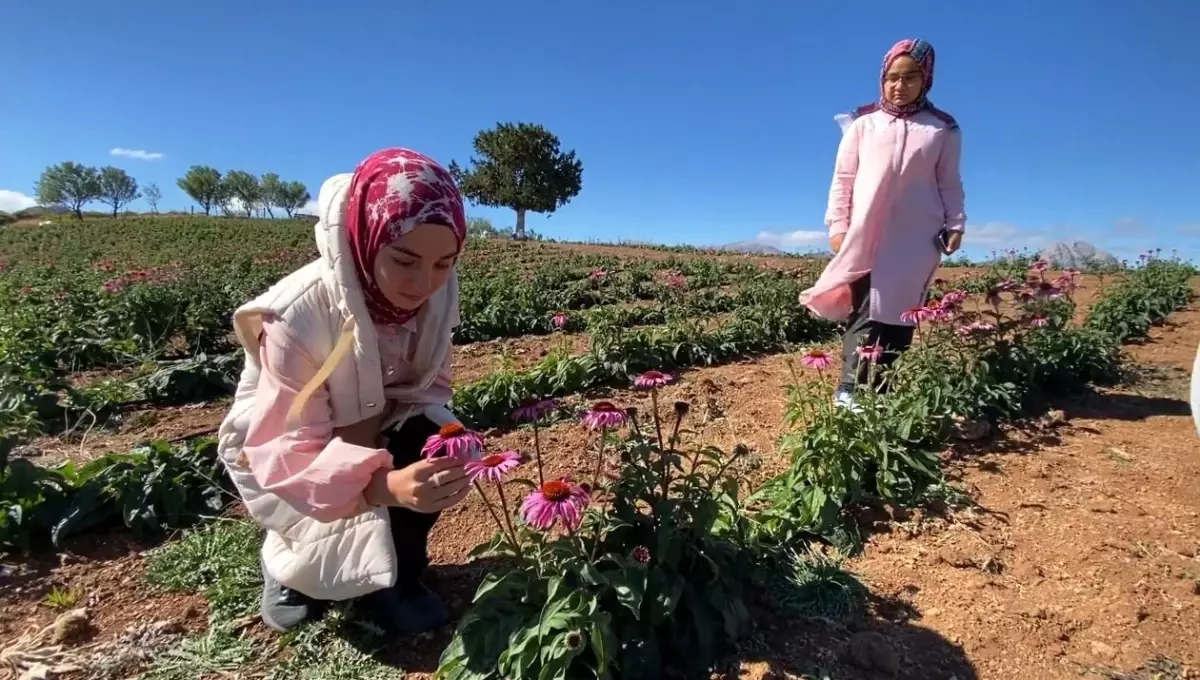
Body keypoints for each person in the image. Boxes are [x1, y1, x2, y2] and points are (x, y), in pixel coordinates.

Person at [216, 148, 474, 634]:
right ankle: (287, 569)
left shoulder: (438, 292)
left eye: (444, 263)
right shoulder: (298, 315)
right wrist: (383, 484)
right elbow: (288, 452)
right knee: (312, 509)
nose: (424, 282)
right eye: (405, 259)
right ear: (365, 236)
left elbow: (433, 386)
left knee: (434, 442)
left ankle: (395, 578)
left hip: (381, 416)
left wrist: (431, 451)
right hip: (288, 438)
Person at [799, 38, 966, 408]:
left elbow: (949, 182)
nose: (899, 85)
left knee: (902, 313)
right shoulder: (864, 124)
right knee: (864, 308)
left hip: (917, 236)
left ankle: (883, 389)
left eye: (910, 77)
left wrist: (956, 223)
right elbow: (842, 179)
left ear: (926, 79)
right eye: (892, 77)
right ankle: (849, 388)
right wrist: (838, 226)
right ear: (882, 78)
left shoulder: (942, 129)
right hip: (866, 233)